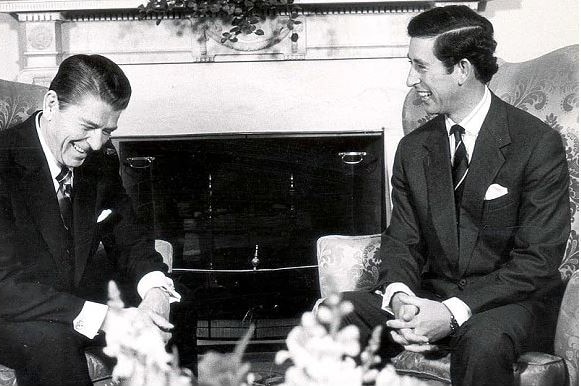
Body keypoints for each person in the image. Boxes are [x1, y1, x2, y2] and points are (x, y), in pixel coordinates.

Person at [341, 5, 570, 386]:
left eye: (421, 66)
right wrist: (400, 298)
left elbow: (538, 260)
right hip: (429, 296)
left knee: (482, 339)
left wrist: (448, 313)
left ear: (462, 70)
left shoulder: (536, 143)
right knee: (339, 313)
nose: (410, 78)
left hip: (509, 303)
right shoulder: (414, 148)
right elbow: (402, 239)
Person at [0, 54, 181, 386]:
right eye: (87, 127)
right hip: (11, 312)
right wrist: (106, 317)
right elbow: (4, 286)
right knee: (53, 344)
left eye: (108, 130)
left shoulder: (99, 160)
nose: (97, 143)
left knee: (170, 317)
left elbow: (129, 239)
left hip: (72, 305)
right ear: (52, 103)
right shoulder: (3, 162)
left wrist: (156, 292)